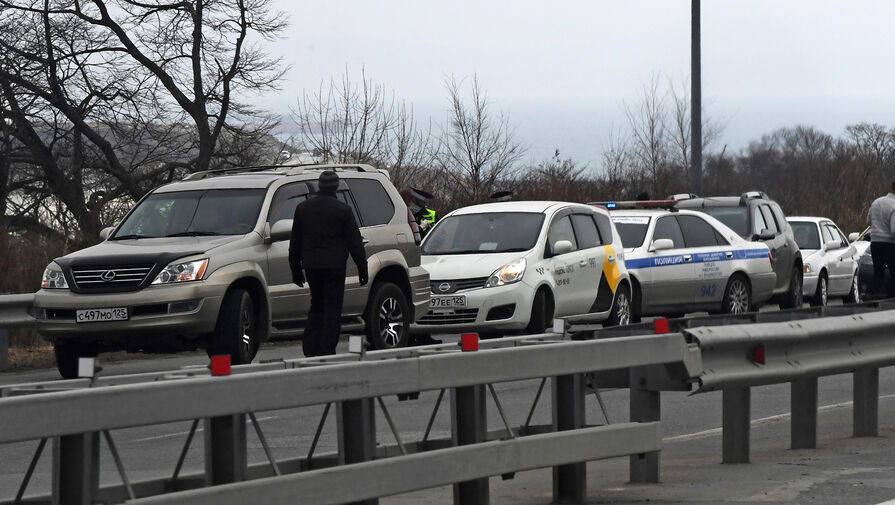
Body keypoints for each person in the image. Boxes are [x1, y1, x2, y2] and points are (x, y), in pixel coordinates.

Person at [289, 171, 368, 356]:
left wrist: (295, 268)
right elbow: (354, 242)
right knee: (332, 308)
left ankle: (310, 348)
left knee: (316, 305)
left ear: (319, 186)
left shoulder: (303, 208)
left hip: (312, 266)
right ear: (336, 187)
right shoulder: (343, 210)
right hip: (335, 267)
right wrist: (362, 268)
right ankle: (327, 348)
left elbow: (295, 242)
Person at [866, 180, 895, 298]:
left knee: (878, 270)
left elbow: (868, 222)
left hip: (875, 242)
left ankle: (872, 294)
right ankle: (891, 297)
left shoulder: (876, 202)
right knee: (894, 271)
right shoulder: (894, 206)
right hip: (890, 243)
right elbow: (894, 231)